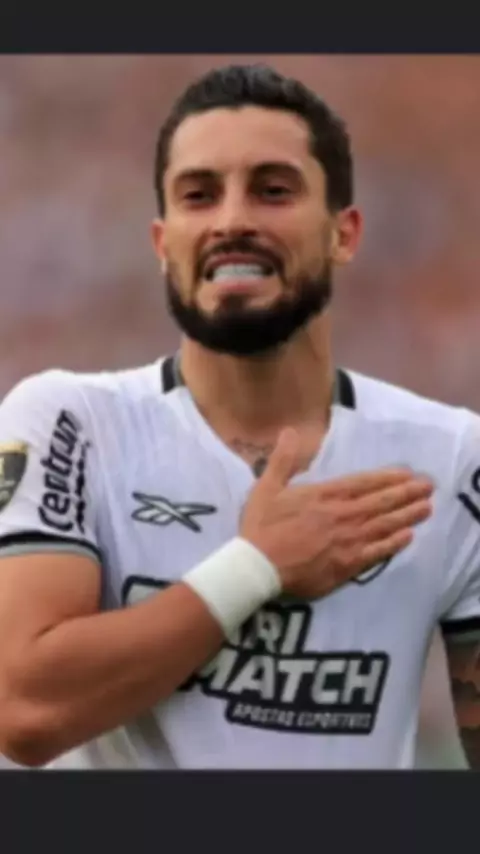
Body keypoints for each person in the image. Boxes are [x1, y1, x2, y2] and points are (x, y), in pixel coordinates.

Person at [0, 64, 478, 771]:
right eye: (199, 195)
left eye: (273, 190)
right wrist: (256, 568)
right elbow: (23, 711)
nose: (231, 221)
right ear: (163, 243)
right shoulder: (71, 422)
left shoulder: (451, 456)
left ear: (344, 233)